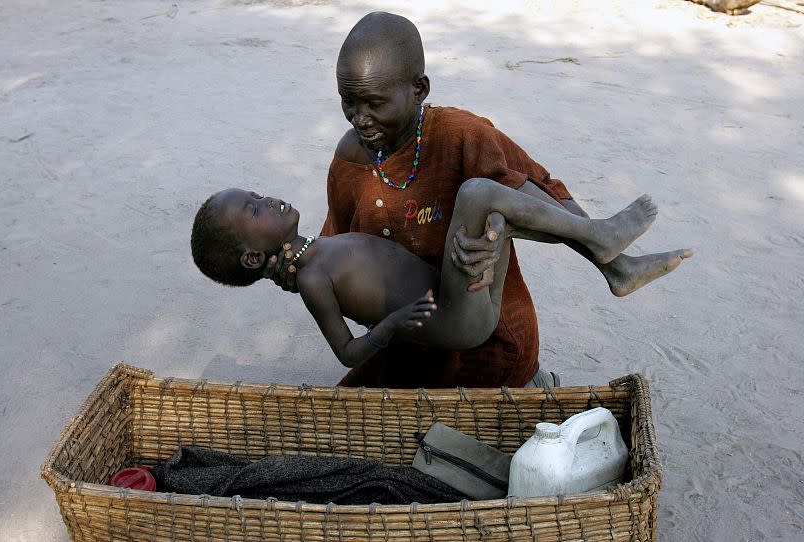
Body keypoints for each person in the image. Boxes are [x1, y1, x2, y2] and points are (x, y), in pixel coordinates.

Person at [263, 12, 692, 388]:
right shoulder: (349, 161)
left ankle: (610, 258)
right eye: (348, 102)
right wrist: (294, 270)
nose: (360, 118)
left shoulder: (462, 134)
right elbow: (336, 249)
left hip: (488, 336)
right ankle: (613, 261)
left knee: (489, 194)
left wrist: (494, 232)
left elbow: (540, 196)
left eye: (375, 103)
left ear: (419, 89)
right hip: (410, 342)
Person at [191, 181, 688, 371]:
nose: (268, 199)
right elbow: (346, 353)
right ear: (254, 258)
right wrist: (391, 325)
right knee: (475, 193)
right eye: (254, 210)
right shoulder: (313, 280)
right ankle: (600, 241)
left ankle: (612, 262)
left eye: (256, 193)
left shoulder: (315, 251)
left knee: (496, 203)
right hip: (458, 320)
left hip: (462, 291)